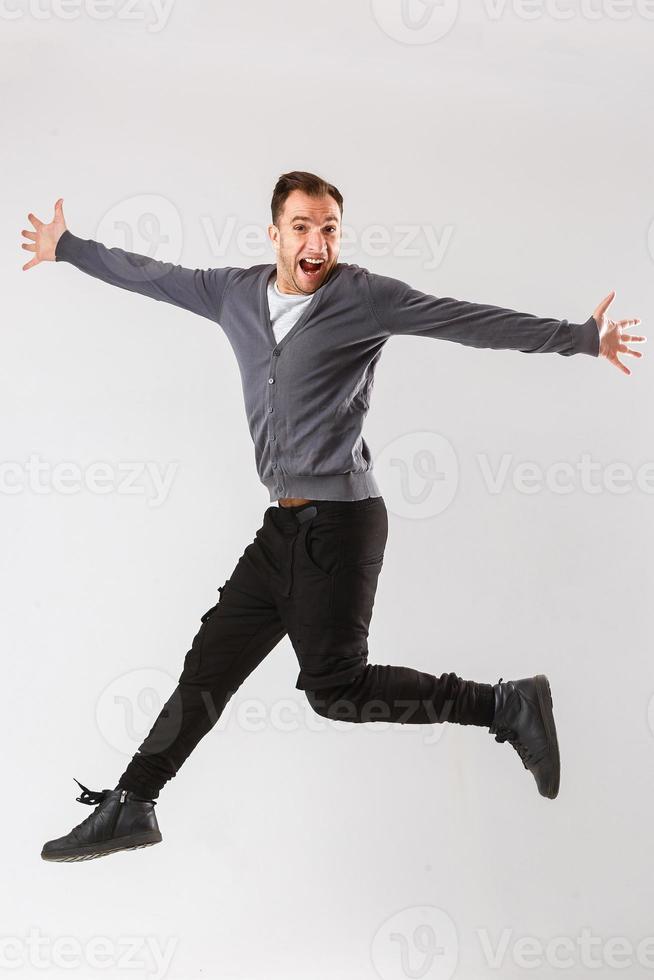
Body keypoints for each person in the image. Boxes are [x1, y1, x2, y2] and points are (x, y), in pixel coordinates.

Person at [23, 171, 644, 862]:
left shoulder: (363, 298)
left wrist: (580, 338)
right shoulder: (233, 293)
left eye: (329, 230)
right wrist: (69, 246)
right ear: (275, 234)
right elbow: (154, 275)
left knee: (336, 689)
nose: (317, 243)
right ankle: (131, 803)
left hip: (343, 523)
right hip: (283, 526)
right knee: (208, 666)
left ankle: (504, 705)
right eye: (302, 228)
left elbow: (464, 318)